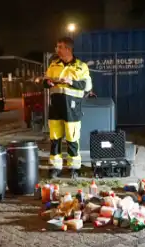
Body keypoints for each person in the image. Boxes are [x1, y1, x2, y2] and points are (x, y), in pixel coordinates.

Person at [43, 37, 92, 179]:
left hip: (72, 108)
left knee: (72, 138)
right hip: (55, 107)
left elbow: (87, 86)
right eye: (57, 47)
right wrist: (49, 83)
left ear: (68, 49)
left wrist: (71, 82)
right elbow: (45, 82)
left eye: (60, 47)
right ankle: (55, 167)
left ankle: (74, 168)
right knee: (55, 138)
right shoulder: (53, 65)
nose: (57, 49)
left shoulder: (81, 66)